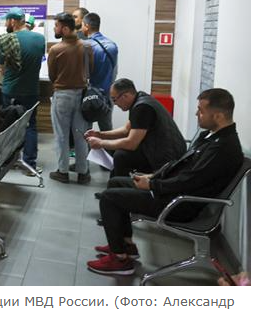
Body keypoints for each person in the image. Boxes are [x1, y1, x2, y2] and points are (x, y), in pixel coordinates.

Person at [87, 88, 243, 276]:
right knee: (117, 183)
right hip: (174, 192)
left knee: (109, 198)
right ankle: (125, 245)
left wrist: (153, 185)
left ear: (218, 116)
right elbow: (182, 166)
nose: (196, 114)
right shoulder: (211, 136)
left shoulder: (223, 148)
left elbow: (190, 180)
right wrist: (153, 177)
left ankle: (120, 260)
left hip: (181, 204)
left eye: (201, 111)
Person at [85, 78, 186, 178]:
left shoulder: (142, 108)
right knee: (118, 153)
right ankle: (117, 184)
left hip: (167, 157)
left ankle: (120, 186)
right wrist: (99, 135)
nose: (114, 104)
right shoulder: (140, 99)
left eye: (114, 99)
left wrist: (100, 143)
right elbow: (126, 130)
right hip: (162, 149)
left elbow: (131, 144)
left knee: (120, 156)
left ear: (125, 96)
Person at [0, 7, 45, 170]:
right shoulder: (40, 39)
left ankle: (9, 161)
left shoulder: (5, 40)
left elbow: (2, 68)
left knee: (10, 126)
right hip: (32, 90)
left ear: (13, 21)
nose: (5, 24)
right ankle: (30, 164)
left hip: (11, 90)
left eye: (6, 20)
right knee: (30, 125)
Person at [47, 12, 93, 183]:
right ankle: (83, 172)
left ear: (65, 29)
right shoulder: (87, 47)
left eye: (57, 26)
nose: (55, 29)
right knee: (81, 135)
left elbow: (52, 76)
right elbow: (90, 70)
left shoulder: (56, 49)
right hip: (82, 94)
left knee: (61, 135)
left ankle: (63, 171)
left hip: (62, 95)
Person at [82, 12, 118, 132]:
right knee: (106, 129)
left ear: (87, 26)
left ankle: (88, 146)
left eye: (82, 25)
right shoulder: (112, 45)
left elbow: (85, 73)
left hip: (89, 94)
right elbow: (115, 70)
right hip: (108, 93)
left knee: (86, 128)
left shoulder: (86, 45)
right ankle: (107, 145)